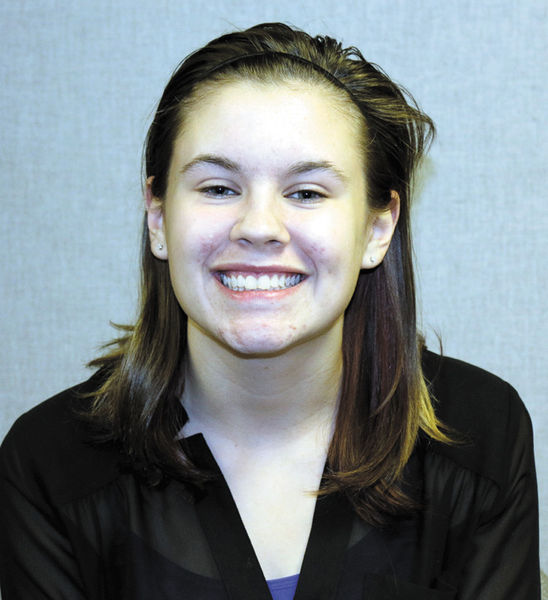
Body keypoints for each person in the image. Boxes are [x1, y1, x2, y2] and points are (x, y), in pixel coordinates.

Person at [0, 22, 540, 600]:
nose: (258, 227)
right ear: (157, 217)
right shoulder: (48, 466)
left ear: (377, 228)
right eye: (218, 188)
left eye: (307, 192)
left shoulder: (480, 434)